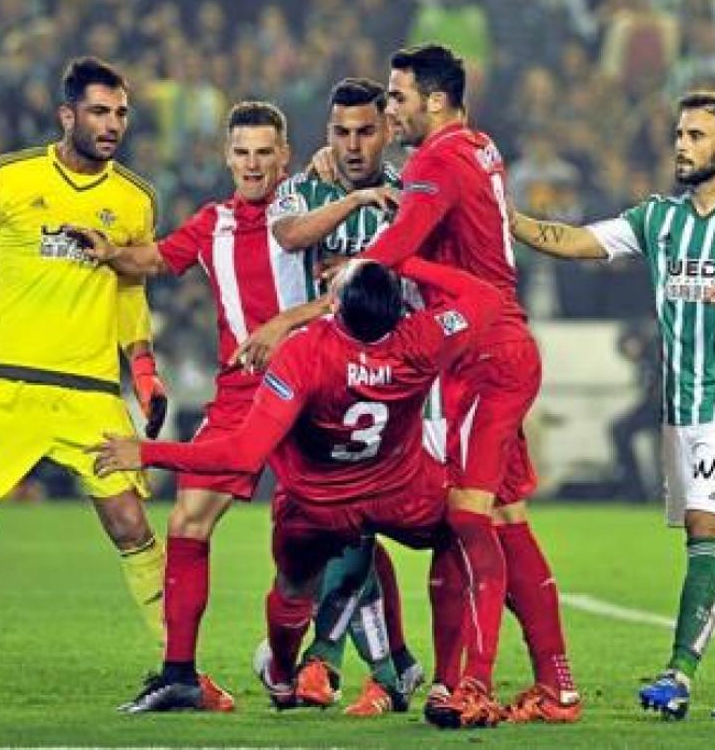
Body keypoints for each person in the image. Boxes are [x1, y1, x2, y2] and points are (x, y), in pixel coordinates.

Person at [508, 91, 715, 720]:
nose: (681, 144)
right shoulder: (657, 219)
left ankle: (679, 672)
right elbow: (571, 240)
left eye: (697, 136)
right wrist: (502, 214)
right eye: (679, 133)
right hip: (681, 406)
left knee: (707, 528)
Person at [91, 256, 500, 723]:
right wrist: (405, 259)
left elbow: (243, 454)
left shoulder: (306, 350)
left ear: (339, 307)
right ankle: (448, 682)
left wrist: (147, 452)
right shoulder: (423, 337)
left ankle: (283, 677)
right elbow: (486, 298)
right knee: (458, 532)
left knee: (291, 590)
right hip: (399, 495)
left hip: (317, 506)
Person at [0, 57, 169, 711]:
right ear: (67, 115)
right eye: (100, 112)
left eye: (121, 113)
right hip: (2, 381)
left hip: (90, 388)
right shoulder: (6, 179)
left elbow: (130, 290)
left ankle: (175, 668)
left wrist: (146, 372)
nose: (112, 125)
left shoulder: (135, 199)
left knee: (131, 521)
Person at [345, 43, 579, 727]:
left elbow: (390, 254)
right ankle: (556, 688)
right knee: (503, 518)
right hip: (499, 345)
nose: (390, 109)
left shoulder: (438, 159)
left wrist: (336, 290)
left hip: (479, 351)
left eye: (397, 97)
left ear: (436, 100)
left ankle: (470, 685)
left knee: (468, 517)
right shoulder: (479, 148)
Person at [68, 101, 306, 713]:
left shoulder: (306, 213)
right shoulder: (212, 223)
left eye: (264, 152)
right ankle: (179, 674)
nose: (253, 164)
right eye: (242, 152)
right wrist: (109, 249)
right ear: (228, 157)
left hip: (314, 385)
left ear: (285, 156)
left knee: (339, 532)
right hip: (241, 394)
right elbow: (153, 259)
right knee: (186, 522)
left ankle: (383, 667)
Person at [247, 76, 421, 715]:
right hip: (312, 381)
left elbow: (391, 291)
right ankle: (394, 663)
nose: (352, 145)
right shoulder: (303, 188)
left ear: (388, 129)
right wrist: (356, 202)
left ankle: (321, 660)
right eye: (341, 133)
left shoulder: (412, 193)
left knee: (349, 522)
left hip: (383, 383)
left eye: (365, 131)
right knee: (335, 530)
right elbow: (292, 235)